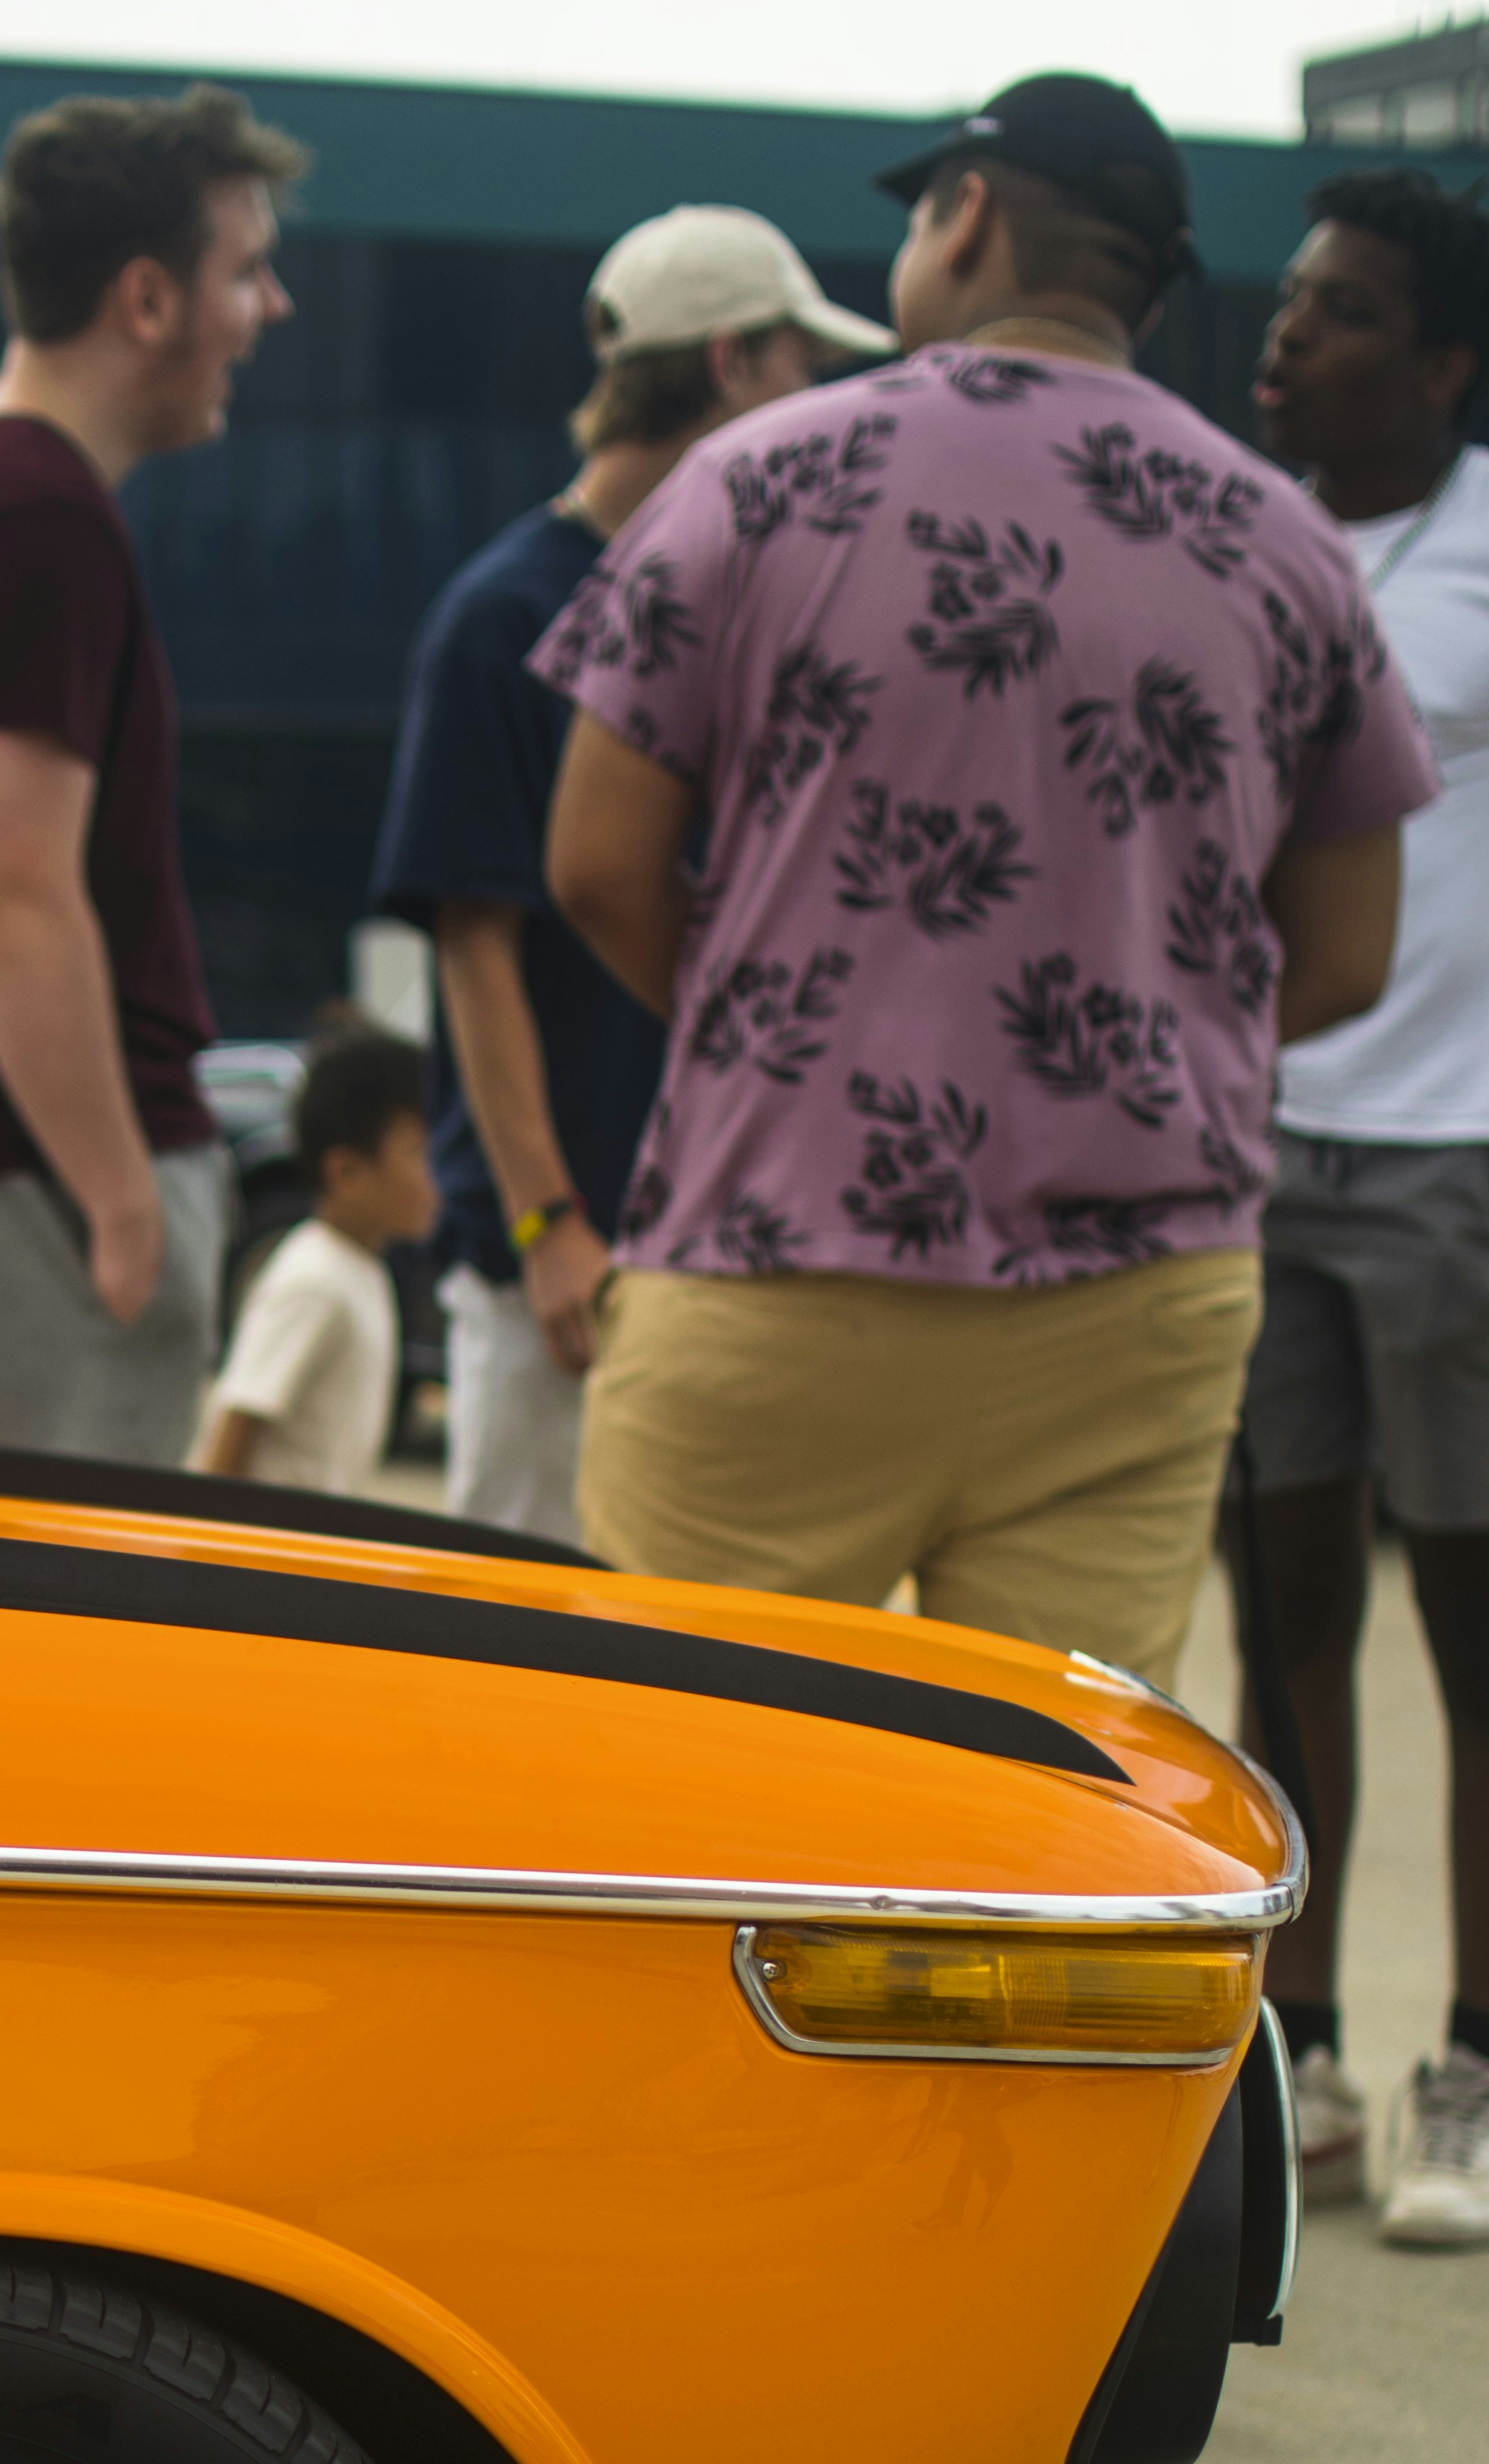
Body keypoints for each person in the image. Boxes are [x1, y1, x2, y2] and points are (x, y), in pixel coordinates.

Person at [537, 76, 1439, 1702]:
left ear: (964, 216)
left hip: (777, 1258)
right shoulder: (1288, 546)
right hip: (1136, 1298)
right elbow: (1349, 955)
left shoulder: (759, 479)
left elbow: (594, 864)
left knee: (675, 1799)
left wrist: (791, 1023)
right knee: (1029, 1841)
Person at [369, 211, 891, 1544]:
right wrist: (546, 1219)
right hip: (568, 1249)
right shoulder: (501, 614)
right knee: (524, 1661)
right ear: (728, 364)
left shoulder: (746, 597)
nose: (820, 398)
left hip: (730, 1235)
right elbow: (472, 945)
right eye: (797, 360)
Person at [0, 84, 302, 1462]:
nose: (273, 310)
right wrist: (123, 1197)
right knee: (61, 1638)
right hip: (15, 1179)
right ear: (146, 299)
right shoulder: (31, 516)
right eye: (248, 271)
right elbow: (12, 890)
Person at [1241, 175, 1489, 2251]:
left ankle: (1483, 2076)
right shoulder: (1230, 532)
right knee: (1280, 1628)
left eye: (1342, 314)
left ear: (1441, 361)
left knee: (1483, 1623)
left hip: (1463, 1150)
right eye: (1290, 300)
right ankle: (1305, 2063)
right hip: (1257, 1135)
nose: (1288, 335)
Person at [191, 1028, 436, 1494]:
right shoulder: (313, 1278)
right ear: (346, 1171)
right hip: (271, 1559)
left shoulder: (362, 1266)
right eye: (421, 1154)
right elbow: (239, 1418)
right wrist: (208, 1553)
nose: (437, 1177)